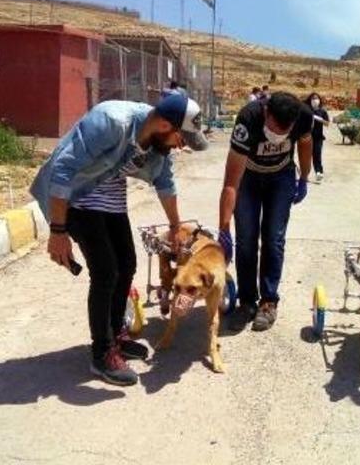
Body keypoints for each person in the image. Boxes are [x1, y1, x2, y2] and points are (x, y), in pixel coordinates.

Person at [30, 94, 202, 386]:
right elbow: (63, 169)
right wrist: (58, 231)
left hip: (110, 197)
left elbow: (165, 181)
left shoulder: (157, 144)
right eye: (180, 137)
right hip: (77, 199)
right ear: (162, 124)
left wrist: (175, 226)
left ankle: (115, 336)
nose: (181, 145)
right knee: (106, 271)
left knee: (127, 264)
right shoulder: (111, 121)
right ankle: (101, 353)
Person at [217, 92, 313, 332]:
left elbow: (305, 142)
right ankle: (247, 302)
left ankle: (268, 302)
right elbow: (230, 184)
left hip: (281, 177)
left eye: (283, 132)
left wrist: (304, 178)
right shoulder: (248, 119)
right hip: (247, 177)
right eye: (273, 129)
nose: (277, 136)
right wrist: (224, 227)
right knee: (246, 239)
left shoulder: (303, 116)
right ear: (266, 111)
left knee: (274, 238)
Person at [305, 92, 330, 181]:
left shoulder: (322, 111)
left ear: (319, 100)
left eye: (316, 98)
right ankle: (305, 174)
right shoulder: (307, 110)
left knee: (317, 155)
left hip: (318, 137)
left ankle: (319, 172)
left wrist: (319, 119)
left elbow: (327, 123)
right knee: (307, 156)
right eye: (313, 99)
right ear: (310, 100)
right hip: (307, 137)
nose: (315, 100)